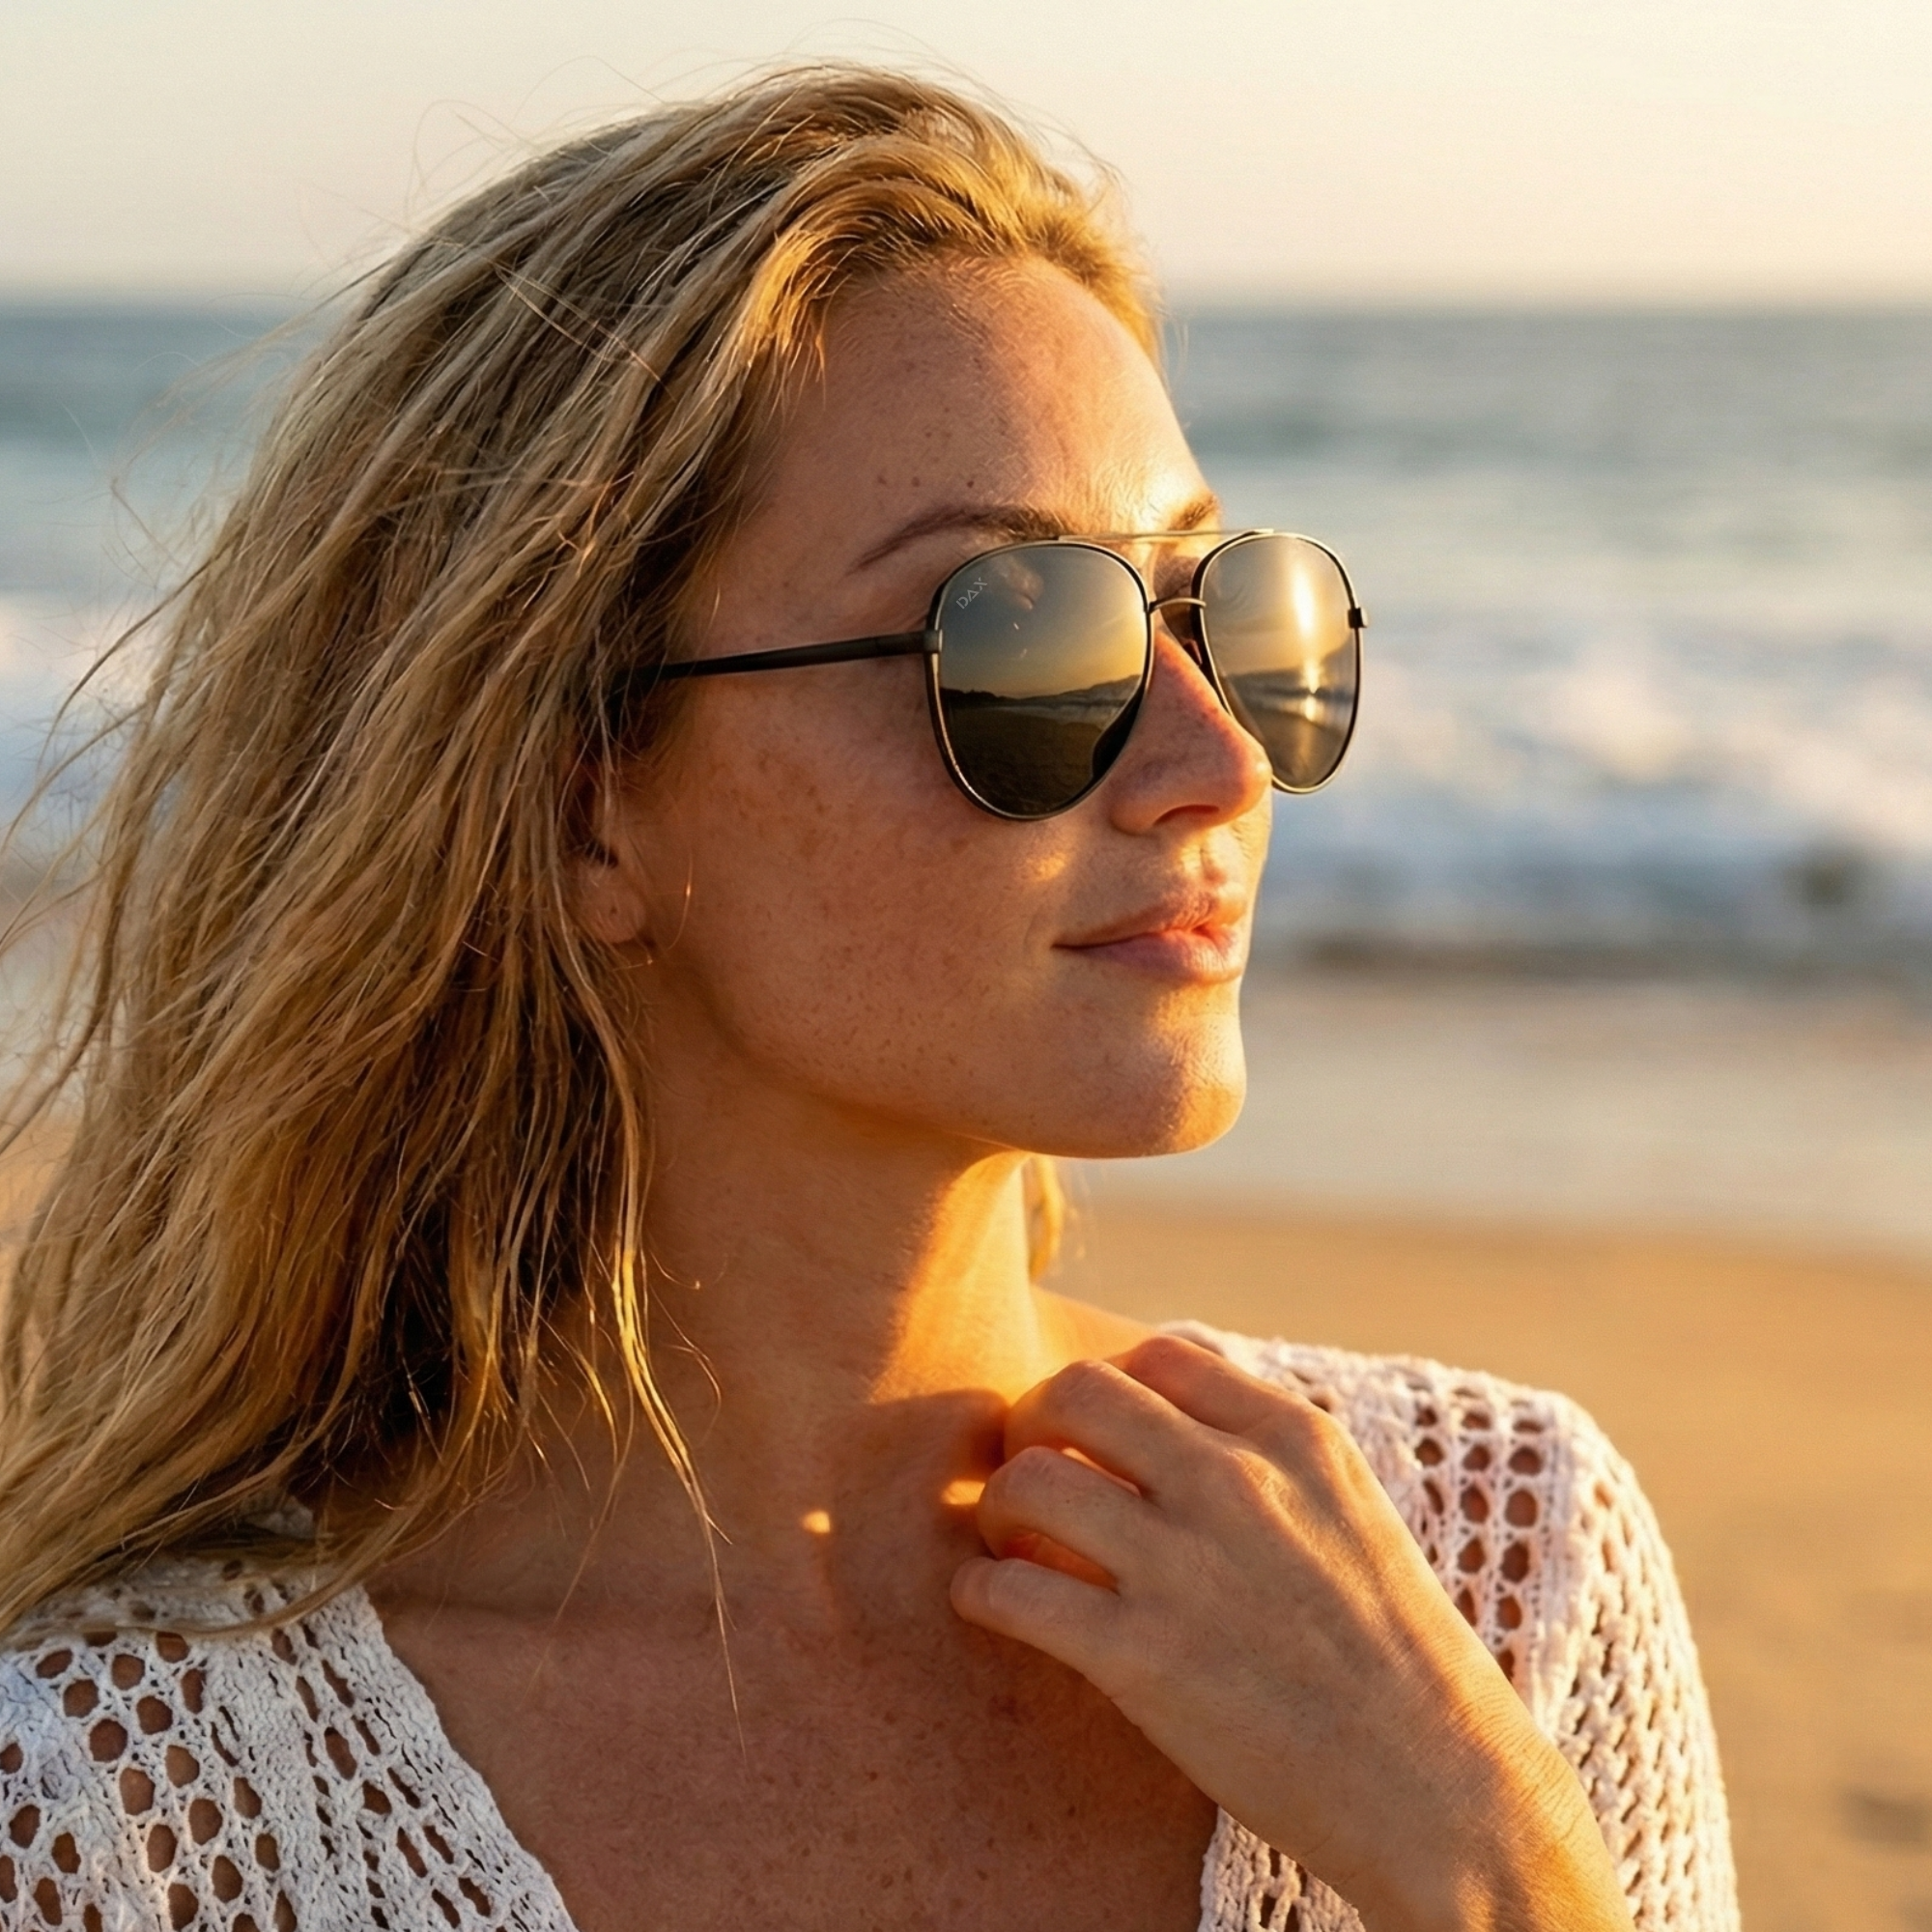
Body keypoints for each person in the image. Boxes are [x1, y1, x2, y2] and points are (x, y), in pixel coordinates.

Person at [0, 67, 1736, 1932]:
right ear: (586, 803)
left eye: (1228, 615)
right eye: (1021, 643)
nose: (1219, 759)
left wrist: (1486, 1867)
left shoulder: (1496, 1567)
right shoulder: (125, 1809)